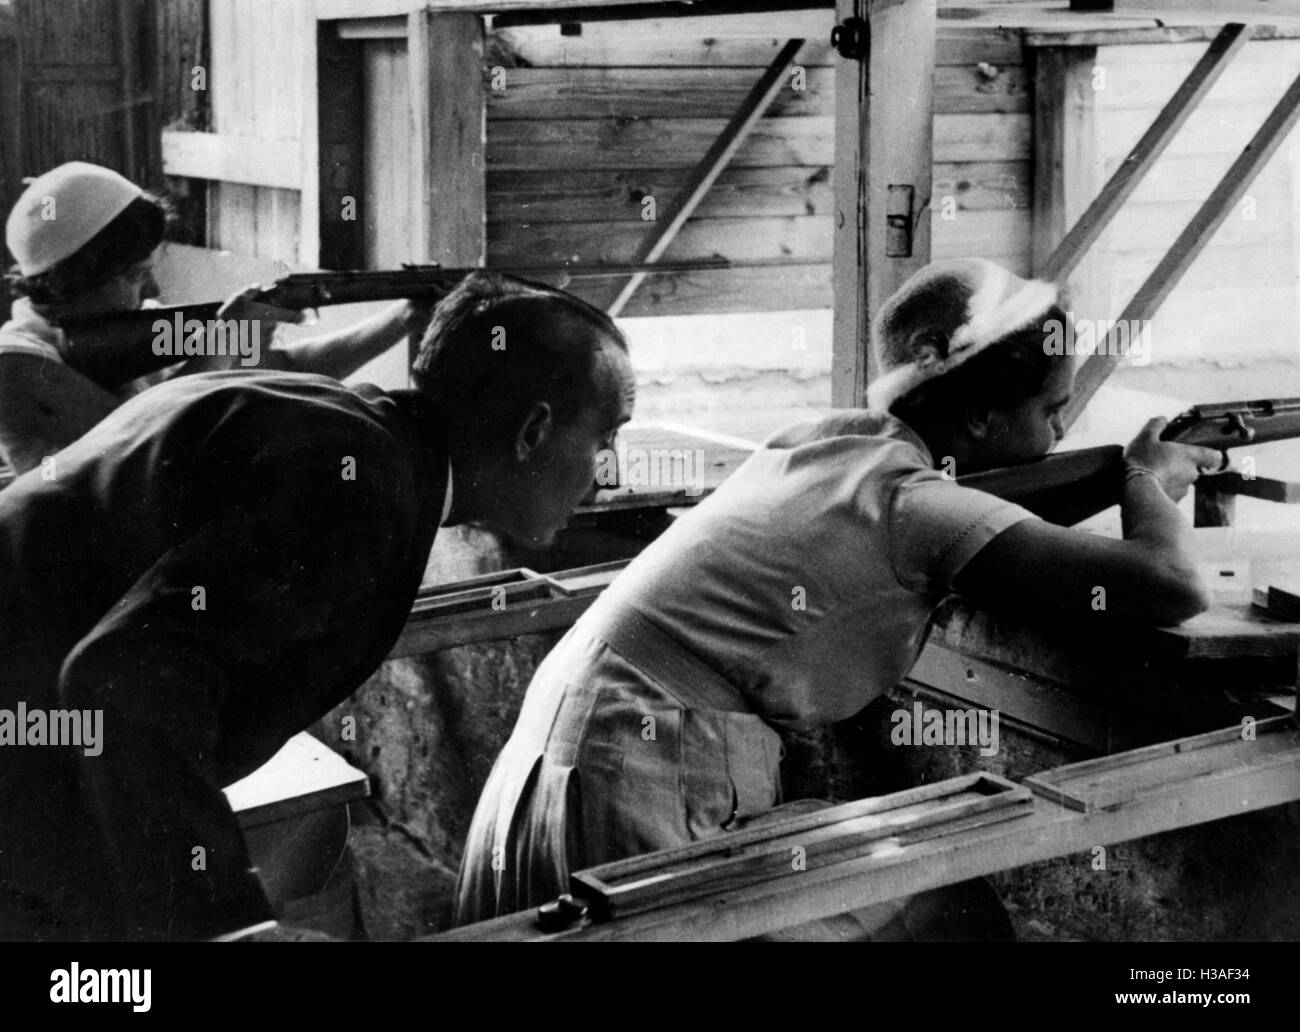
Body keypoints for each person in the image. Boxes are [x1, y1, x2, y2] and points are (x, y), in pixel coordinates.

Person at [453, 257, 1222, 939]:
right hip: (644, 753)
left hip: (586, 724)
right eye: (1052, 410)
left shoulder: (827, 439)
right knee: (949, 916)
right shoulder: (915, 504)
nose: (1059, 434)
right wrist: (1145, 476)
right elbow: (1173, 587)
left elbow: (990, 534)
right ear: (982, 414)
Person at [0, 271, 634, 941]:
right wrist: (229, 928)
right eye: (607, 438)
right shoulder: (358, 486)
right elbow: (122, 679)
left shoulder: (351, 437)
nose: (610, 473)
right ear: (532, 430)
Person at [0, 161, 425, 475]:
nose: (152, 293)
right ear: (74, 278)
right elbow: (152, 439)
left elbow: (286, 370)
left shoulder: (130, 325)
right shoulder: (15, 364)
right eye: (134, 276)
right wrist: (223, 342)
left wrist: (401, 317)